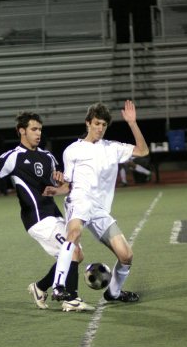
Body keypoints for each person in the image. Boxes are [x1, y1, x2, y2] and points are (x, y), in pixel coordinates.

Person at [0, 111, 93, 313]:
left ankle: (40, 287)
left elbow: (61, 183)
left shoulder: (48, 157)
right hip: (37, 218)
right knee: (72, 252)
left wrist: (60, 180)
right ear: (22, 131)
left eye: (40, 129)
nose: (38, 133)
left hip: (54, 214)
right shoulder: (14, 156)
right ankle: (71, 299)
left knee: (76, 255)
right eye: (34, 129)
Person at [44, 99, 149, 304]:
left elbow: (143, 151)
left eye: (103, 124)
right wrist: (57, 190)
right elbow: (69, 185)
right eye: (97, 123)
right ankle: (59, 286)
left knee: (126, 255)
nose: (100, 128)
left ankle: (114, 293)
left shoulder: (112, 148)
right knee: (73, 234)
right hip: (80, 200)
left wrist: (132, 123)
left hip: (100, 210)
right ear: (88, 123)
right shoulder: (72, 150)